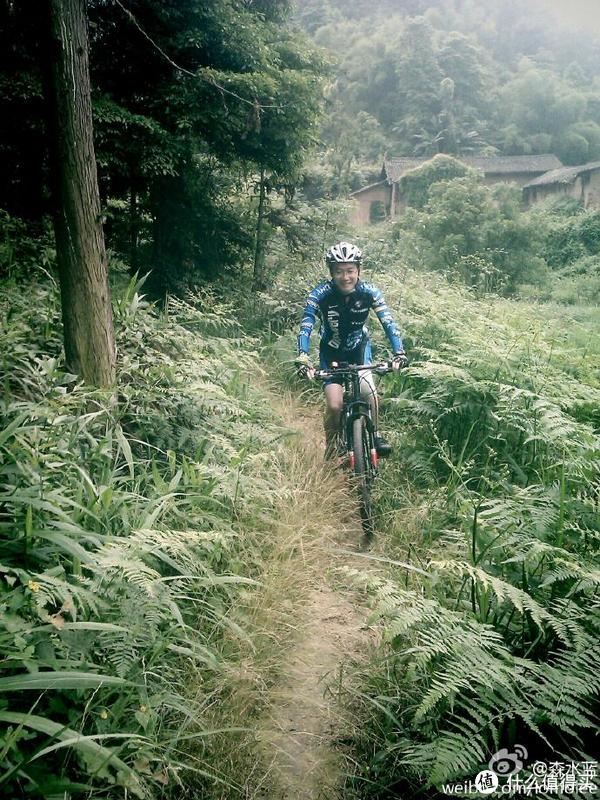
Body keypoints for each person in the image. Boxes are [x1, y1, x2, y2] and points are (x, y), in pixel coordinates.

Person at [294, 241, 407, 458]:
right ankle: (332, 445)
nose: (345, 277)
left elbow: (388, 323)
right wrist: (303, 357)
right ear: (331, 273)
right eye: (339, 272)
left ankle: (376, 435)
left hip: (359, 349)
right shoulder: (320, 294)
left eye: (350, 271)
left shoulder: (370, 292)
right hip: (331, 352)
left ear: (358, 271)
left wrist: (399, 353)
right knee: (335, 405)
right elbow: (306, 325)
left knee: (368, 391)